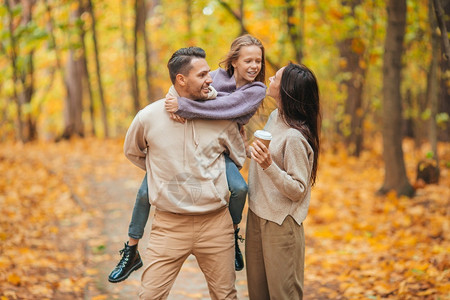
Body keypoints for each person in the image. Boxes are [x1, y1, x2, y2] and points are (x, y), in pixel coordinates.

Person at [109, 35, 266, 283]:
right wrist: (160, 165)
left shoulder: (256, 88)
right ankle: (131, 249)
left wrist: (185, 108)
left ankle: (233, 234)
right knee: (143, 194)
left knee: (239, 187)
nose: (254, 66)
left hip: (222, 150)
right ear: (234, 60)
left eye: (258, 61)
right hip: (189, 148)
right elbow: (186, 81)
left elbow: (227, 108)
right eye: (248, 60)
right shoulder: (215, 76)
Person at [245, 63, 321, 300]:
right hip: (257, 216)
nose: (270, 80)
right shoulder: (276, 116)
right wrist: (246, 150)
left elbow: (298, 189)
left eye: (275, 78)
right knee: (258, 294)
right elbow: (265, 154)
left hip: (281, 225)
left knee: (283, 295)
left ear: (287, 90)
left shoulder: (295, 138)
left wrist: (268, 165)